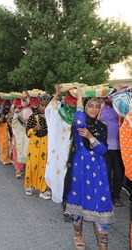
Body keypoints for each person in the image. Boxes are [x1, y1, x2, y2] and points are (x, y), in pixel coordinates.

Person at [65, 89, 115, 250]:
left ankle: (103, 244)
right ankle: (78, 235)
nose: (93, 109)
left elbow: (102, 150)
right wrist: (80, 97)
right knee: (78, 199)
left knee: (100, 202)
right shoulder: (79, 124)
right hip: (81, 166)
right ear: (85, 108)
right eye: (90, 106)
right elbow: (79, 119)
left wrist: (90, 137)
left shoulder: (102, 127)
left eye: (96, 106)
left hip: (98, 169)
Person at [45, 86, 77, 203]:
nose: (73, 103)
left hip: (77, 149)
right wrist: (57, 94)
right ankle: (65, 200)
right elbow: (49, 110)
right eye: (71, 100)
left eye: (75, 101)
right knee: (63, 173)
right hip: (61, 149)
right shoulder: (59, 113)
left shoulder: (81, 113)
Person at [99, 96, 124, 207]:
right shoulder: (100, 107)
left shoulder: (120, 108)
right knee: (106, 172)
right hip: (105, 147)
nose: (107, 99)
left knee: (118, 173)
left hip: (120, 147)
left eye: (110, 97)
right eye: (105, 97)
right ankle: (107, 195)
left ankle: (116, 196)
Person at [24, 95, 51, 199]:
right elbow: (27, 133)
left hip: (45, 143)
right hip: (34, 144)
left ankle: (43, 189)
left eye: (46, 106)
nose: (43, 108)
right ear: (39, 105)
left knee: (44, 166)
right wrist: (34, 129)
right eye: (42, 105)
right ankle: (28, 185)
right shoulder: (32, 117)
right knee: (32, 164)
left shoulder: (51, 118)